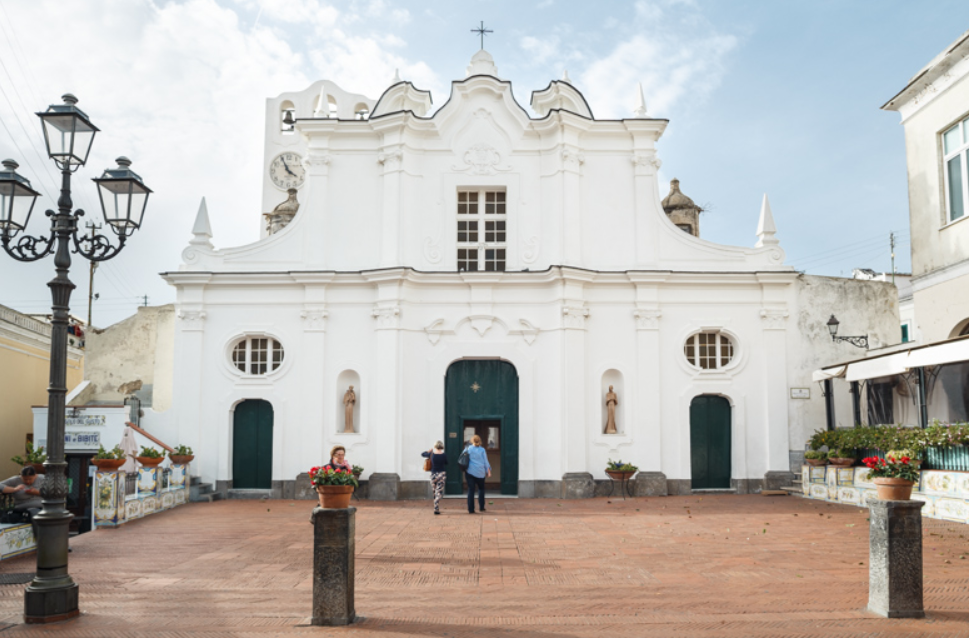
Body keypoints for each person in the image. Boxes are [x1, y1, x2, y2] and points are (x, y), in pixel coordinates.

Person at [1, 466, 44, 537]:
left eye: (30, 479)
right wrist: (14, 489)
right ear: (20, 476)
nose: (27, 481)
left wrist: (36, 492)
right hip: (22, 508)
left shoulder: (42, 478)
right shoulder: (16, 480)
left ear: (35, 475)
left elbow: (53, 493)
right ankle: (40, 539)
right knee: (35, 514)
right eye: (25, 479)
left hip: (40, 507)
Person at [463, 434, 491, 514]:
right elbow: (486, 461)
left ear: (472, 441)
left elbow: (462, 457)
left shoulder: (468, 449)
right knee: (481, 489)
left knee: (471, 490)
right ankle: (481, 507)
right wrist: (488, 471)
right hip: (480, 472)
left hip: (470, 472)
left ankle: (471, 509)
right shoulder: (482, 450)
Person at [421, 441, 448, 515]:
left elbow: (422, 454)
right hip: (441, 474)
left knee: (434, 491)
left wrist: (428, 451)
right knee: (439, 491)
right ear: (442, 446)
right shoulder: (444, 455)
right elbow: (446, 462)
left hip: (433, 474)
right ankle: (436, 507)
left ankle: (436, 506)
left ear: (435, 446)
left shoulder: (431, 454)